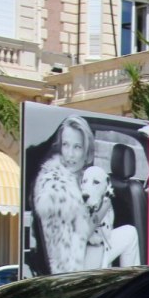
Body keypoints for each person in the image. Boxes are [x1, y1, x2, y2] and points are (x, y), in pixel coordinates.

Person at [31, 116, 95, 275]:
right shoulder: (56, 185)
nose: (70, 154)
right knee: (130, 234)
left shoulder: (78, 179)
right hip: (71, 270)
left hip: (76, 265)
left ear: (86, 150)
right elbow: (84, 233)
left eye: (77, 147)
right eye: (66, 145)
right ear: (59, 146)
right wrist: (105, 206)